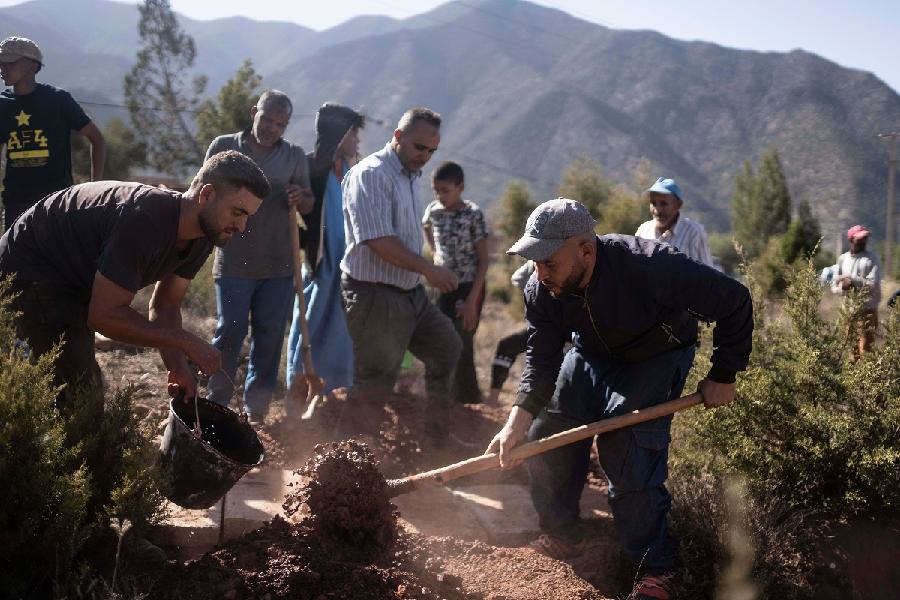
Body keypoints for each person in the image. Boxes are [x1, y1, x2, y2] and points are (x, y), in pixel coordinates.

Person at [486, 198, 753, 600]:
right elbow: (541, 360)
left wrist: (723, 374)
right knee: (546, 435)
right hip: (591, 353)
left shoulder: (653, 266)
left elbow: (735, 301)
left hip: (656, 355)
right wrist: (516, 422)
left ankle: (657, 570)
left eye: (549, 262)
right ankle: (563, 534)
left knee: (627, 446)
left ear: (586, 251)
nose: (540, 274)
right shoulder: (541, 289)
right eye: (534, 262)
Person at [0, 150, 270, 408]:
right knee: (78, 394)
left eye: (248, 217)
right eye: (238, 212)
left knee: (75, 387)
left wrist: (177, 366)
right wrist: (184, 341)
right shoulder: (144, 220)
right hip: (29, 268)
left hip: (71, 280)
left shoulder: (202, 236)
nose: (242, 227)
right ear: (207, 194)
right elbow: (103, 317)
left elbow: (166, 305)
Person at [338, 107, 462, 442]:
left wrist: (427, 265)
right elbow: (378, 240)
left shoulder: (410, 174)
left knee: (446, 347)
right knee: (375, 380)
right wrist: (428, 269)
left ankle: (437, 440)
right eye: (419, 147)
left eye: (431, 151)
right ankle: (343, 467)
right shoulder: (371, 174)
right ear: (397, 137)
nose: (425, 156)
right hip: (374, 293)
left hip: (409, 293)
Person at [204, 90, 313, 422]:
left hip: (278, 266)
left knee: (268, 338)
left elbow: (308, 201)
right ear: (254, 112)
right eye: (267, 119)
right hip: (234, 260)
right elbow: (202, 188)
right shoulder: (225, 146)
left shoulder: (294, 156)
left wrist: (300, 196)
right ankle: (216, 405)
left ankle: (256, 413)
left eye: (280, 123)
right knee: (230, 334)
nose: (271, 128)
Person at [286, 102, 365, 407]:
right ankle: (296, 387)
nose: (357, 141)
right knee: (310, 322)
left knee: (338, 330)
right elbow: (297, 212)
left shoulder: (351, 171)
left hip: (345, 263)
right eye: (353, 134)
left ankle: (326, 393)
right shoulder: (309, 168)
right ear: (340, 133)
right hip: (320, 262)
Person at [0, 36, 106, 229]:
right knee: (14, 259)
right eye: (1, 62)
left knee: (56, 259)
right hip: (15, 205)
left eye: (10, 62)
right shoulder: (2, 104)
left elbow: (96, 138)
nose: (3, 67)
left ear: (32, 66)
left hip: (56, 203)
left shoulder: (58, 100)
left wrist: (93, 189)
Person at [423, 161, 489, 404]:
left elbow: (484, 260)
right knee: (443, 339)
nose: (440, 196)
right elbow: (427, 228)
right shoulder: (433, 211)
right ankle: (445, 398)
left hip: (469, 286)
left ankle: (470, 402)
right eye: (436, 190)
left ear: (460, 187)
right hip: (443, 286)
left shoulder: (473, 214)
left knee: (463, 343)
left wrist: (472, 300)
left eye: (445, 191)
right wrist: (435, 254)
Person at [635, 177, 714, 267]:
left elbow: (707, 274)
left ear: (678, 205)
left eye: (663, 204)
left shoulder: (694, 233)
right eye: (653, 203)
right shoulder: (643, 231)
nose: (657, 210)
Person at [830, 225, 882, 356]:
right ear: (851, 239)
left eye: (865, 238)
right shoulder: (843, 259)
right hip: (848, 310)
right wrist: (843, 287)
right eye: (860, 238)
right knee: (851, 349)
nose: (864, 240)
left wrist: (852, 280)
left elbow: (873, 284)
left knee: (866, 350)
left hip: (867, 310)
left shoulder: (872, 259)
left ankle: (867, 376)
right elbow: (835, 285)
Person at [487, 260, 534, 405]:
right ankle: (492, 401)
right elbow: (518, 277)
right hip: (540, 328)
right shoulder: (535, 264)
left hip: (567, 333)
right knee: (506, 346)